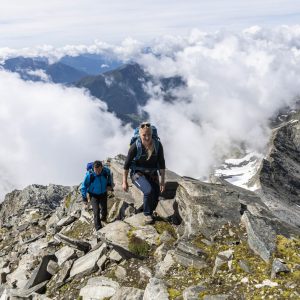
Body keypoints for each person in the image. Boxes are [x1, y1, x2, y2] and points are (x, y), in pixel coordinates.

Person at [122, 122, 166, 224]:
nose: (147, 137)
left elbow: (162, 163)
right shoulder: (135, 146)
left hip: (152, 173)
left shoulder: (157, 145)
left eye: (149, 135)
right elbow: (126, 165)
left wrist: (162, 181)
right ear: (140, 135)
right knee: (148, 191)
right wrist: (124, 181)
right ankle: (147, 215)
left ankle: (148, 210)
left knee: (156, 194)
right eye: (144, 135)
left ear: (152, 134)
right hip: (137, 173)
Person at [81, 160, 113, 231]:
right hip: (93, 195)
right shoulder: (90, 175)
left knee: (104, 209)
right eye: (96, 170)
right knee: (96, 211)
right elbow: (83, 187)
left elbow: (110, 176)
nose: (98, 172)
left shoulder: (105, 171)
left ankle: (103, 219)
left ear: (102, 167)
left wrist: (109, 184)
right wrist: (84, 198)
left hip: (103, 193)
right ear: (93, 168)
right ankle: (99, 229)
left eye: (99, 170)